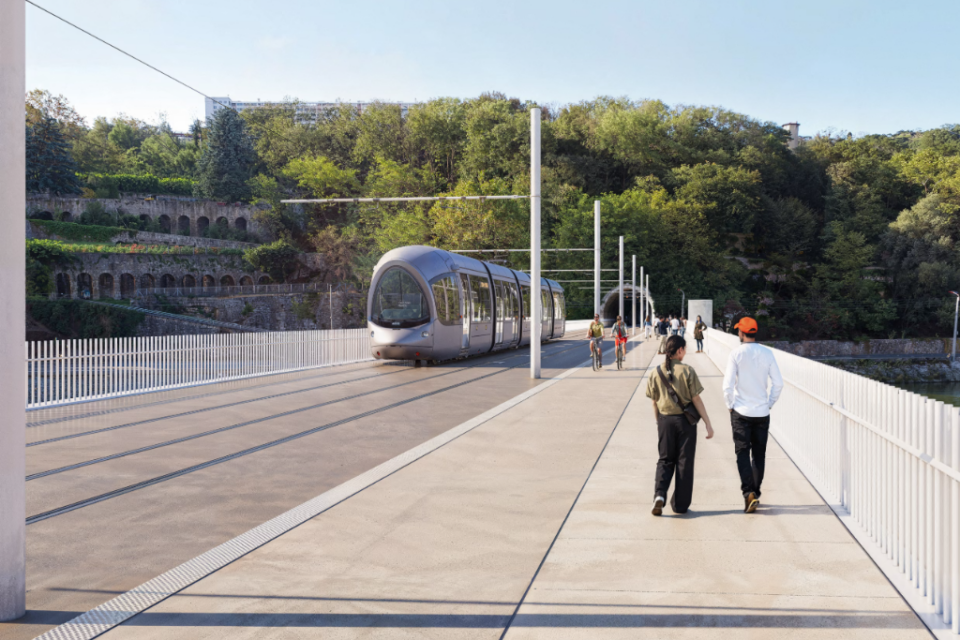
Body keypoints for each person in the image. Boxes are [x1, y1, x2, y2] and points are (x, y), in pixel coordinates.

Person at [646, 335, 714, 515]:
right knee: (684, 462)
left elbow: (654, 402)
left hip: (665, 421)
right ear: (680, 351)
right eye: (685, 349)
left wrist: (658, 422)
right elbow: (696, 399)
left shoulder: (655, 372)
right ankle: (680, 505)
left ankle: (659, 496)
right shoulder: (687, 371)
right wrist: (707, 423)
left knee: (665, 460)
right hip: (686, 423)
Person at [722, 317, 784, 514]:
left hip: (741, 411)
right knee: (758, 455)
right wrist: (769, 403)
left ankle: (748, 492)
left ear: (741, 333)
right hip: (761, 412)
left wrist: (730, 405)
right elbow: (778, 384)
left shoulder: (736, 354)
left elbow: (728, 385)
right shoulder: (768, 353)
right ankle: (755, 493)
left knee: (742, 452)